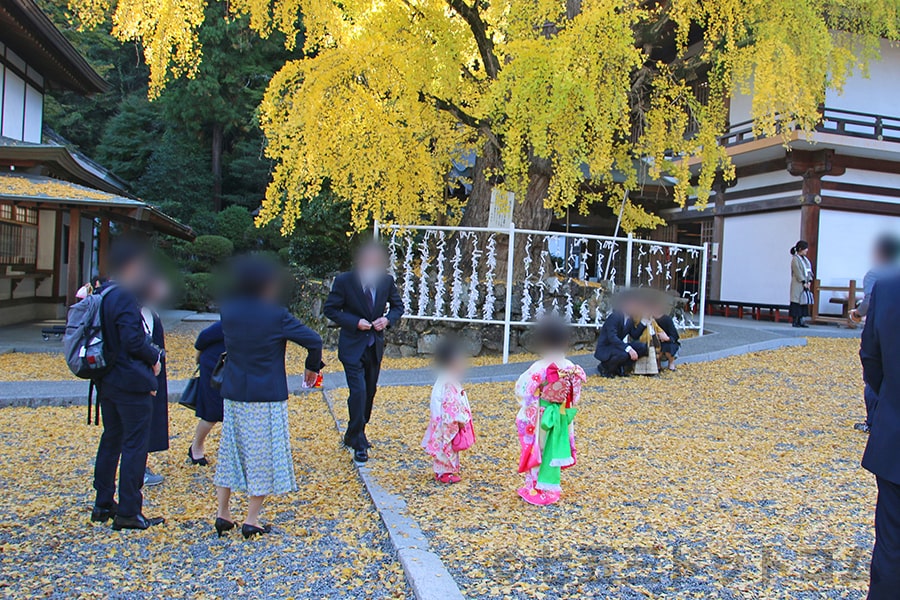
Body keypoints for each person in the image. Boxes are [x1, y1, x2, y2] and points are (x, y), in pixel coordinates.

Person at [215, 256, 322, 539]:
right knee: (261, 454)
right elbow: (314, 339)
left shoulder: (229, 311)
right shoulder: (276, 315)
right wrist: (312, 367)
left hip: (235, 391)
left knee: (231, 451)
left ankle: (223, 512)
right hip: (266, 395)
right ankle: (252, 519)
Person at [90, 238, 165, 530]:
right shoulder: (123, 296)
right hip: (129, 380)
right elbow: (132, 339)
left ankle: (103, 501)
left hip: (108, 378)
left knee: (112, 438)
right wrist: (154, 355)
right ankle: (129, 509)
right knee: (135, 443)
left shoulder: (105, 292)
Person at [324, 241, 404, 465]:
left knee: (369, 392)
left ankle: (355, 431)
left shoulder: (386, 281)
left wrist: (387, 320)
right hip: (352, 346)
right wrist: (354, 322)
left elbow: (398, 306)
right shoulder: (344, 281)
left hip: (374, 345)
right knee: (357, 391)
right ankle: (358, 442)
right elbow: (330, 309)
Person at [515, 317, 586, 506]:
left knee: (538, 448)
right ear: (565, 342)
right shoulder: (571, 367)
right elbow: (575, 394)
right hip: (561, 414)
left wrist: (533, 402)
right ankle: (551, 487)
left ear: (544, 342)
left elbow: (523, 390)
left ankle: (536, 487)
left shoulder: (539, 367)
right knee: (555, 449)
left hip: (542, 414)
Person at [859, 274, 900, 598]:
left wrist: (890, 399)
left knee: (891, 545)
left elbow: (871, 357)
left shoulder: (888, 287)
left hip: (896, 436)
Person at [851, 234, 900, 433]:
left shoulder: (875, 274)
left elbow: (870, 301)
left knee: (875, 372)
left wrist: (856, 314)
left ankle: (873, 420)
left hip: (881, 333)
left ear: (879, 253)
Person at [421, 339, 472, 484]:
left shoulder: (444, 379)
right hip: (447, 423)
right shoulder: (449, 382)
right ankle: (445, 472)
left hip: (441, 420)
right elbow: (451, 406)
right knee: (447, 447)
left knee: (443, 447)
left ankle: (442, 471)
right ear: (452, 362)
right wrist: (461, 419)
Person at [140, 275, 171, 487]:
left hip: (149, 373)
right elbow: (139, 342)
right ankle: (138, 470)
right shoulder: (141, 311)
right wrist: (153, 360)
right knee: (139, 424)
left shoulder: (148, 310)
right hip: (143, 375)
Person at [189, 320, 226, 466]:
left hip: (238, 367)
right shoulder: (231, 318)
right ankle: (196, 447)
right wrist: (198, 357)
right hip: (215, 366)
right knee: (213, 410)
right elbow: (203, 337)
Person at [593, 292, 648, 377]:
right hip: (607, 348)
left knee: (642, 347)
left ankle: (620, 367)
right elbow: (612, 337)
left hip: (618, 347)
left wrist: (643, 323)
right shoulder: (614, 317)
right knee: (624, 353)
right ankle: (606, 368)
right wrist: (628, 349)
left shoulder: (629, 319)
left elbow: (634, 335)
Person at [789, 240, 813, 328]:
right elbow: (797, 271)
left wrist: (809, 281)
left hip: (805, 284)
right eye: (805, 249)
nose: (806, 250)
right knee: (796, 301)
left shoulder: (805, 260)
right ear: (800, 249)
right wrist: (803, 281)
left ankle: (801, 320)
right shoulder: (795, 259)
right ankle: (795, 320)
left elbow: (809, 271)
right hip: (798, 284)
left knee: (803, 302)